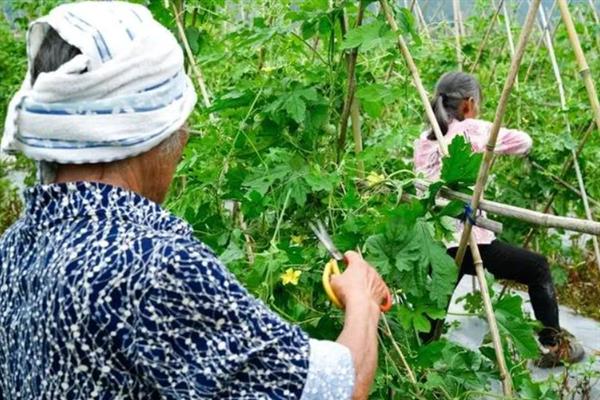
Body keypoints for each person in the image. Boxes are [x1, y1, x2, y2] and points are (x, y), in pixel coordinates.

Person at [0, 3, 391, 399]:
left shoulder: (13, 249)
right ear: (153, 133)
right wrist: (363, 299)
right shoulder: (153, 268)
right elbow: (335, 390)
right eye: (183, 124)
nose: (184, 141)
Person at [413, 71, 584, 368]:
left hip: (433, 241)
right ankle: (552, 345)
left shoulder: (424, 140)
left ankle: (415, 365)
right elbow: (523, 142)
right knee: (538, 268)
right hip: (467, 241)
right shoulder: (473, 130)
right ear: (468, 105)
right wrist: (490, 142)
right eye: (476, 103)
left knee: (433, 307)